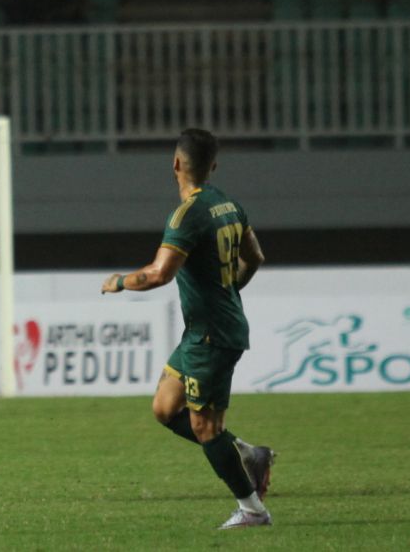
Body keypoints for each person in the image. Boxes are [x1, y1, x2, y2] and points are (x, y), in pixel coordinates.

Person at [100, 128, 276, 530]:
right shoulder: (229, 205)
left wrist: (120, 281)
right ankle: (248, 454)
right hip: (202, 331)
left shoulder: (187, 215)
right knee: (165, 408)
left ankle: (252, 510)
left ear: (176, 164)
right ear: (212, 166)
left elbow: (160, 274)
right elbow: (256, 257)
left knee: (205, 427)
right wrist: (229, 289)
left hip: (213, 335)